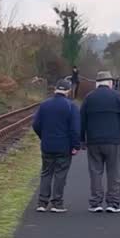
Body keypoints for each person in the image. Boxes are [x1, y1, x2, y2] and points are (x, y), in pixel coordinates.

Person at [80, 70, 120, 213]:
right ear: (110, 83)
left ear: (97, 83)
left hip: (93, 141)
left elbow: (82, 120)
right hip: (112, 141)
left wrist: (81, 140)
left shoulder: (89, 98)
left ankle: (95, 203)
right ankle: (113, 203)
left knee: (95, 172)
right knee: (113, 172)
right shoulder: (117, 97)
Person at [31, 78, 80, 213]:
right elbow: (75, 129)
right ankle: (57, 203)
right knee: (60, 174)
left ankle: (42, 203)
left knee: (46, 173)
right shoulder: (71, 106)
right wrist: (76, 145)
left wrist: (43, 136)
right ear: (68, 91)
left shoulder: (44, 105)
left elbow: (35, 125)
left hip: (47, 145)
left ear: (55, 89)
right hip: (64, 146)